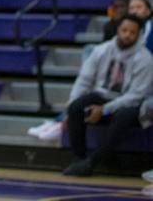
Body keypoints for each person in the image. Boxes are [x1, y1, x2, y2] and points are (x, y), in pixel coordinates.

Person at [62, 14, 153, 176]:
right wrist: (71, 103)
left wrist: (104, 110)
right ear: (118, 29)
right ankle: (79, 157)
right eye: (124, 30)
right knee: (76, 107)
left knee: (123, 117)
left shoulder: (146, 59)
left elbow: (135, 96)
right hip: (102, 96)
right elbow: (84, 79)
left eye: (132, 33)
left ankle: (92, 162)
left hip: (129, 104)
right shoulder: (101, 50)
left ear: (139, 35)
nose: (127, 35)